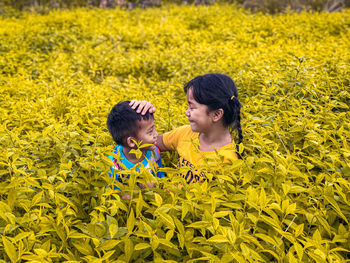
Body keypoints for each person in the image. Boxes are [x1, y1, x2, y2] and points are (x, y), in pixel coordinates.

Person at [130, 73, 243, 184]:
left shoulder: (229, 160)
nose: (186, 112)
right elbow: (148, 143)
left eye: (192, 107)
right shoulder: (185, 133)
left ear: (217, 114)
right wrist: (140, 115)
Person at [106, 101, 164, 187]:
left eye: (154, 127)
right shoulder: (112, 165)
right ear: (132, 142)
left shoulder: (154, 153)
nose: (156, 134)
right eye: (150, 131)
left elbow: (161, 178)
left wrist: (155, 187)